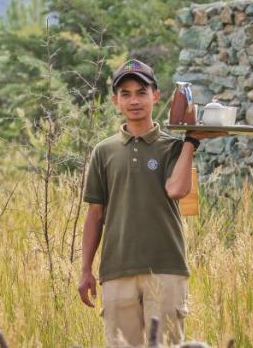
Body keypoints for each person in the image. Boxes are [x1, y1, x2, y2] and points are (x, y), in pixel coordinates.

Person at [77, 59, 219, 346]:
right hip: (117, 271)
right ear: (116, 100)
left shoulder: (173, 147)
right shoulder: (103, 152)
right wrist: (85, 270)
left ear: (156, 96)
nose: (134, 101)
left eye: (141, 92)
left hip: (166, 269)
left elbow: (177, 189)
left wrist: (190, 143)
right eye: (125, 94)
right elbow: (95, 214)